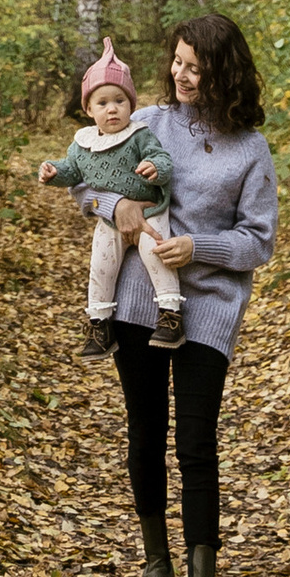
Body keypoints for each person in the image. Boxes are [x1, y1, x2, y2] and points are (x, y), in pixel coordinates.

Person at [63, 10, 277, 577]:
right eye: (178, 63)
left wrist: (198, 247)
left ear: (224, 73)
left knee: (197, 444)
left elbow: (258, 241)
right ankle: (157, 564)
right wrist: (116, 206)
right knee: (146, 430)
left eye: (196, 67)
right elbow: (86, 183)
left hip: (207, 310)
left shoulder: (250, 150)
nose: (182, 76)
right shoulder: (145, 121)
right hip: (137, 303)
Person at [37, 40, 188, 357]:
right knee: (101, 264)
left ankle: (170, 315)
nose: (112, 109)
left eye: (120, 101)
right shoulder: (83, 143)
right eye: (102, 103)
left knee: (156, 253)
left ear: (131, 104)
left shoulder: (139, 134)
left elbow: (162, 159)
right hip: (109, 219)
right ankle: (100, 323)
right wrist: (54, 172)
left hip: (150, 210)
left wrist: (154, 168)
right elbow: (73, 172)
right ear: (88, 109)